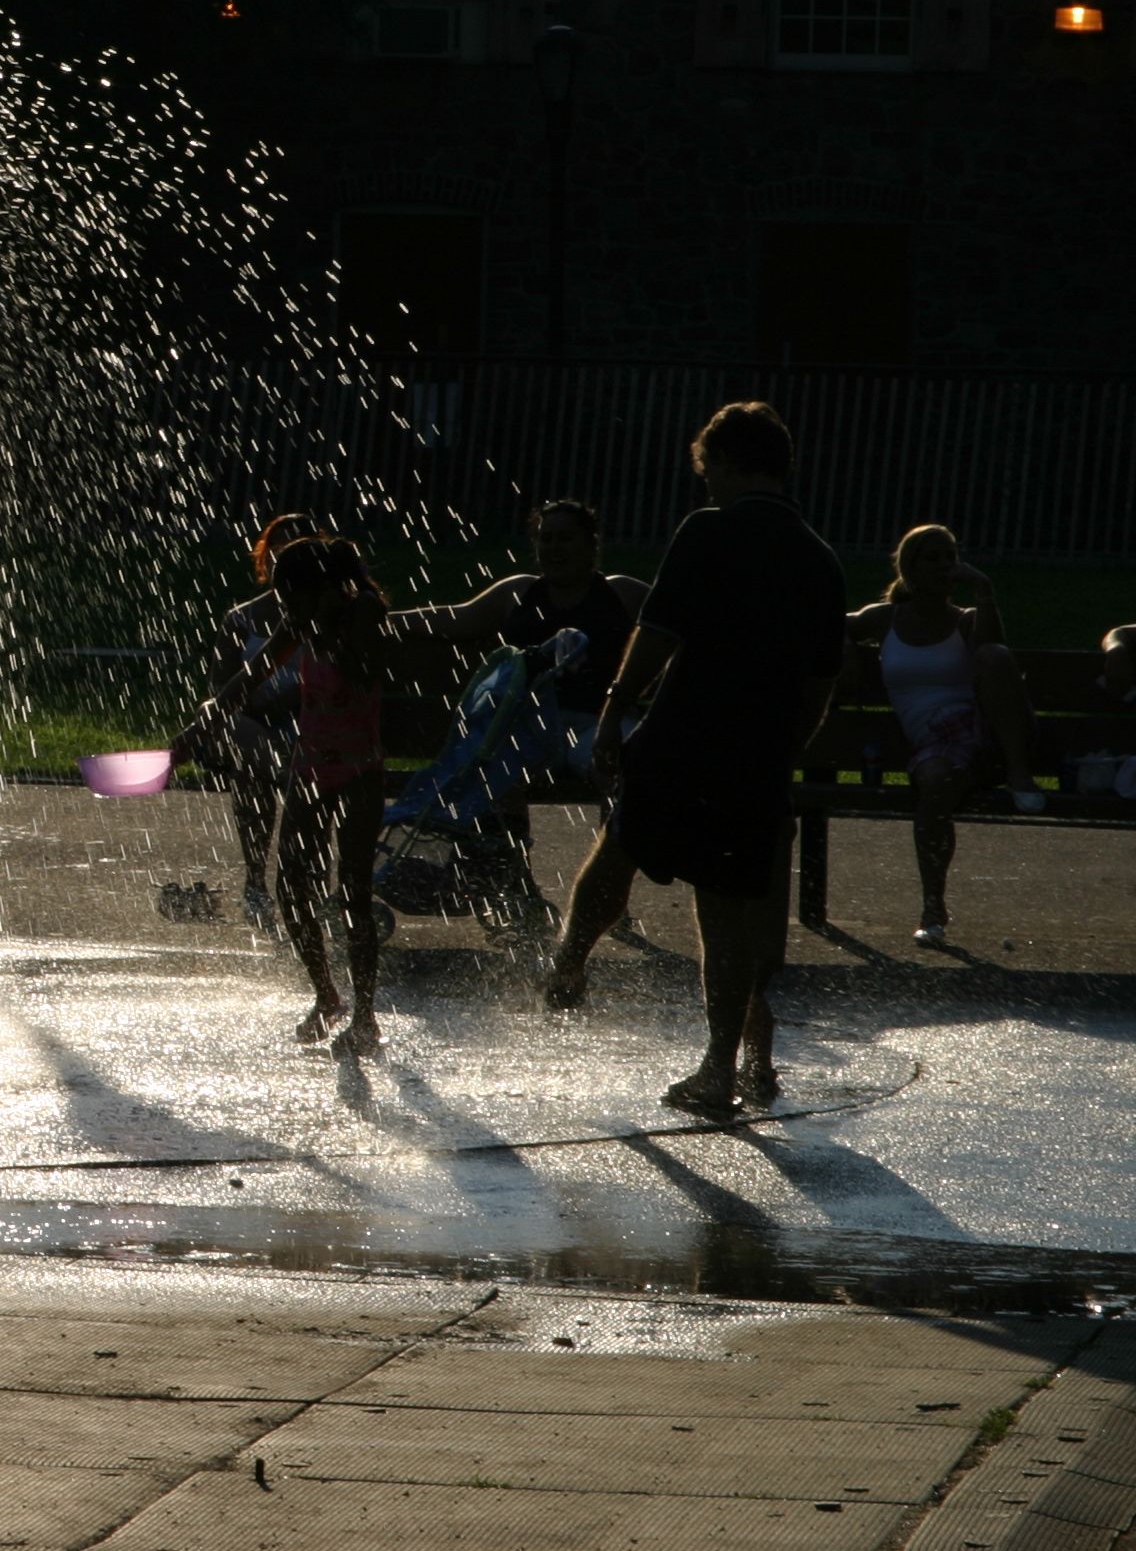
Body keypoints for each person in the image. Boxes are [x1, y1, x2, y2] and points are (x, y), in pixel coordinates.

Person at [540, 402, 846, 1120]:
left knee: (619, 851)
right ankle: (718, 1067)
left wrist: (615, 711)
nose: (706, 484)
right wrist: (781, 752)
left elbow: (658, 631)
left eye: (708, 470)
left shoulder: (710, 530)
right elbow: (820, 686)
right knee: (727, 912)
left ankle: (567, 965)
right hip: (756, 757)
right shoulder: (820, 558)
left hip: (682, 737)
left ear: (729, 463)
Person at [180, 535, 392, 1056]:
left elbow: (364, 670)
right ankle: (326, 996)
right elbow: (248, 677)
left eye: (291, 599)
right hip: (311, 768)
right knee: (291, 884)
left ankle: (365, 1016)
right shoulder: (302, 620)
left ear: (324, 590)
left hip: (360, 772)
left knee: (354, 893)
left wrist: (324, 631)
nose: (285, 611)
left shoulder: (360, 611)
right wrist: (199, 728)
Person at [846, 525, 1049, 945]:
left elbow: (995, 657)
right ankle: (933, 905)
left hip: (986, 735)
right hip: (934, 746)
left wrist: (985, 592)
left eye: (950, 556)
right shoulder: (885, 618)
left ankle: (1018, 772)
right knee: (937, 781)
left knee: (995, 656)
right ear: (909, 566)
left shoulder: (968, 620)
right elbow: (828, 627)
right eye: (932, 558)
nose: (944, 566)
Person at [391, 498, 651, 806]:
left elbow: (679, 626)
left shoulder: (621, 593)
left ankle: (617, 851)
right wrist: (382, 620)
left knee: (629, 764)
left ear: (591, 545)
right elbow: (456, 617)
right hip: (531, 729)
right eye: (546, 538)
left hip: (602, 723)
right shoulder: (519, 593)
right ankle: (498, 850)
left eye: (565, 538)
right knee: (494, 762)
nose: (554, 547)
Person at [187, 512, 320, 932]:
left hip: (311, 729)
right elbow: (218, 688)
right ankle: (259, 882)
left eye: (295, 547)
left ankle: (277, 883)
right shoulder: (242, 618)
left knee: (254, 768)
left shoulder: (324, 615)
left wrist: (284, 702)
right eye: (277, 548)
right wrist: (253, 708)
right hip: (255, 729)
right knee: (249, 751)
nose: (284, 555)